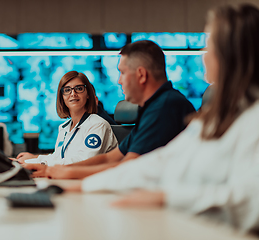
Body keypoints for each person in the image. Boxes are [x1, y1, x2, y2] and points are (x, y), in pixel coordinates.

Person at [67, 4, 259, 234]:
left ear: (231, 54)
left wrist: (165, 198)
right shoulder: (212, 119)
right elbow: (162, 162)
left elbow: (248, 201)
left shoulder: (252, 120)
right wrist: (86, 186)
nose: (204, 56)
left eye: (210, 47)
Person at [24, 40, 195, 178]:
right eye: (66, 91)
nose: (119, 81)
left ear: (141, 75)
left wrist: (57, 172)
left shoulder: (165, 107)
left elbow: (127, 167)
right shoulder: (152, 108)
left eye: (122, 72)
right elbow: (110, 157)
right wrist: (54, 170)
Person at [14, 71, 118, 166]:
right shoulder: (64, 128)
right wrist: (22, 162)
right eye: (67, 90)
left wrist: (39, 164)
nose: (73, 94)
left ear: (88, 95)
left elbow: (83, 162)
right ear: (62, 98)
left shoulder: (98, 124)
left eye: (79, 88)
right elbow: (57, 158)